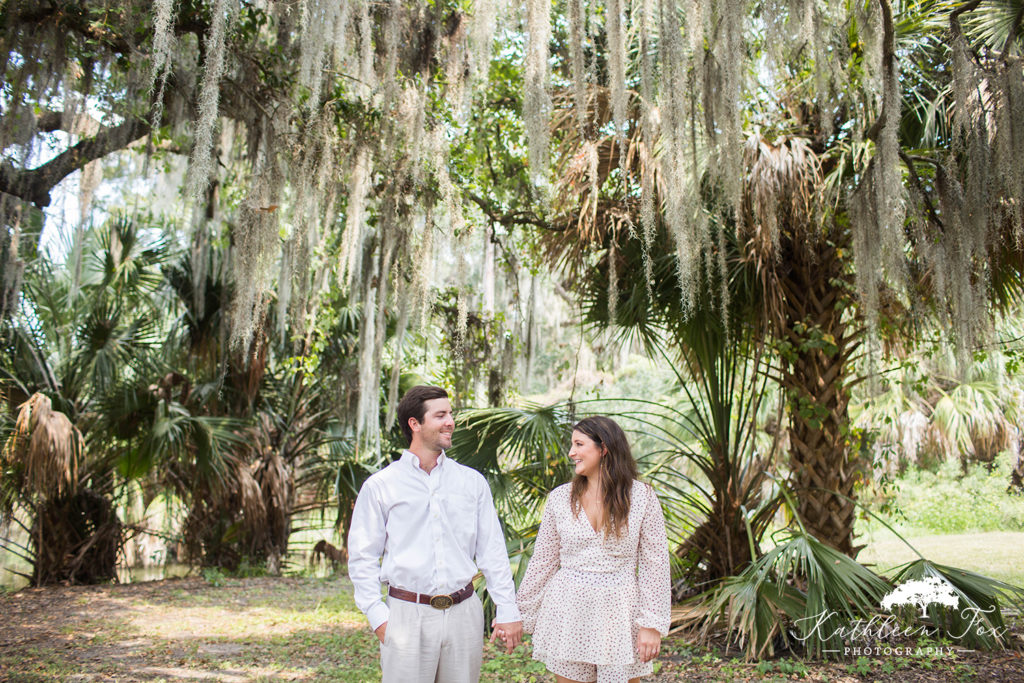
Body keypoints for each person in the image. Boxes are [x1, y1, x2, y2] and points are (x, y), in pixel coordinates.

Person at [347, 385, 523, 683]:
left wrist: (507, 608)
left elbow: (492, 551)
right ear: (415, 424)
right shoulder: (381, 486)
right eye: (440, 415)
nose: (450, 421)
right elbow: (362, 557)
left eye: (450, 413)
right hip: (406, 616)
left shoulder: (471, 483)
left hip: (464, 614)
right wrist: (378, 617)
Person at [511, 416, 671, 683]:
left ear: (603, 448)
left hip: (621, 612)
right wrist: (519, 615)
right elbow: (542, 561)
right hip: (570, 609)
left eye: (579, 444)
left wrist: (651, 624)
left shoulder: (643, 497)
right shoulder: (560, 498)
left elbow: (655, 564)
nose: (571, 452)